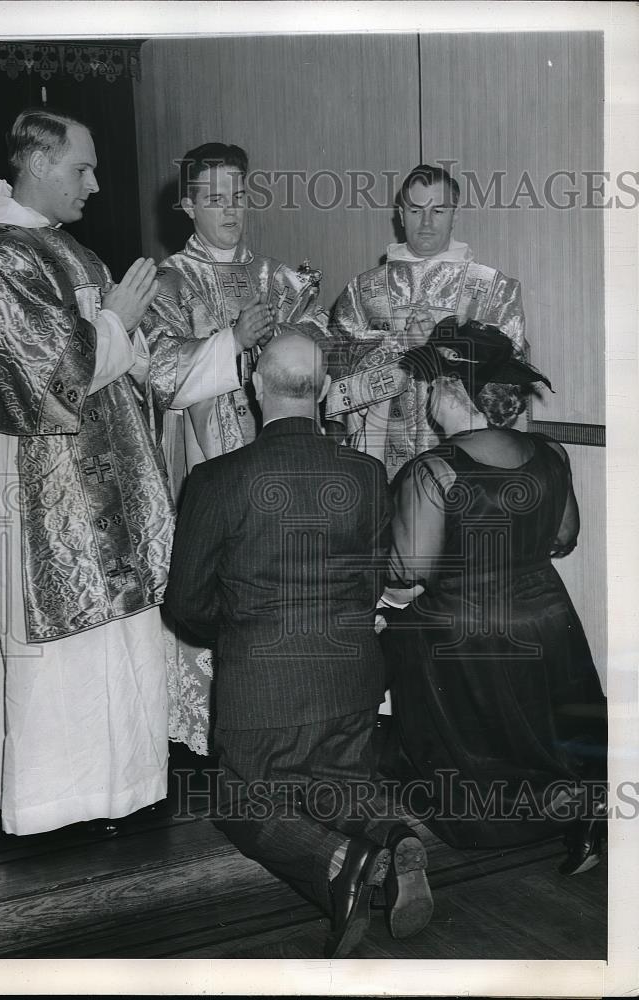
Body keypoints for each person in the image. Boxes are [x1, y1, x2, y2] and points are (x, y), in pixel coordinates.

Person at [164, 333, 433, 958]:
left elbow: (185, 605)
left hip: (261, 684)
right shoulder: (366, 475)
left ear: (257, 387)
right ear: (320, 392)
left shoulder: (217, 479)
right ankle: (394, 835)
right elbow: (370, 582)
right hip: (352, 674)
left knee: (238, 797)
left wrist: (239, 634)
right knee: (330, 780)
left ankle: (341, 861)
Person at [0, 108, 176, 836]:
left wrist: (134, 337)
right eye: (81, 168)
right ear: (38, 164)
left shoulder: (75, 254)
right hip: (43, 488)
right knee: (64, 647)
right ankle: (58, 801)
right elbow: (51, 387)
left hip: (107, 478)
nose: (95, 182)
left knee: (122, 638)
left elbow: (121, 369)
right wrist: (114, 322)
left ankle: (126, 787)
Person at [379, 317, 607, 872]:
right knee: (556, 736)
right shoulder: (551, 454)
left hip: (464, 632)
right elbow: (564, 537)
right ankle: (583, 815)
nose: (425, 395)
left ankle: (480, 820)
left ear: (453, 392)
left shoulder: (434, 470)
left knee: (392, 636)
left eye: (431, 384)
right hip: (547, 621)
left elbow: (408, 570)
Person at [147, 143, 330, 755]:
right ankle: (215, 723)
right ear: (188, 204)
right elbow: (158, 373)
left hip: (280, 451)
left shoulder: (281, 278)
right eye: (215, 198)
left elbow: (318, 351)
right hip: (206, 459)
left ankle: (290, 708)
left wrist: (293, 335)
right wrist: (230, 342)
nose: (230, 210)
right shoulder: (168, 280)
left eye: (239, 196)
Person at [329, 164, 526, 481]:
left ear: (455, 215)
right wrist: (401, 347)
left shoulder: (494, 290)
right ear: (401, 214)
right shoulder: (363, 292)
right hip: (383, 459)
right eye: (416, 210)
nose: (426, 222)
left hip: (470, 468)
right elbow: (339, 383)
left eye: (439, 210)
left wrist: (440, 348)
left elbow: (510, 389)